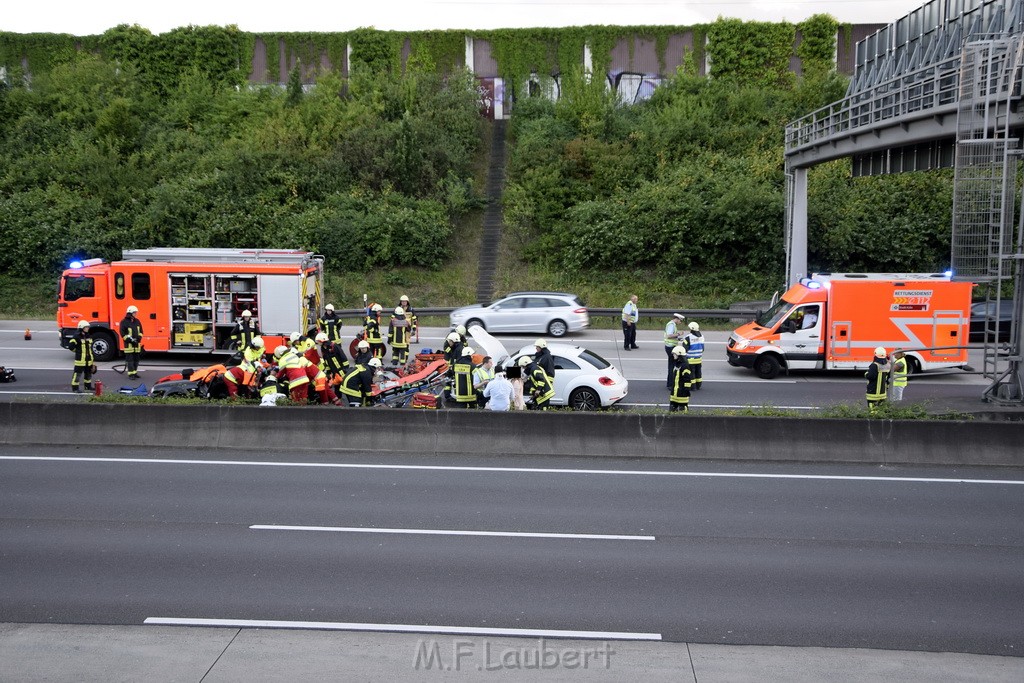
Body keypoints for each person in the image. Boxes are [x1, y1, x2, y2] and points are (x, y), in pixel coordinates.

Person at [69, 319, 95, 393]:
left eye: (88, 327)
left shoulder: (89, 336)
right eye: (86, 327)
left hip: (88, 360)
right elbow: (71, 346)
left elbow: (90, 348)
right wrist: (78, 352)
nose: (88, 328)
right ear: (82, 328)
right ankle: (75, 388)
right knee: (77, 375)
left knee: (88, 375)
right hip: (80, 360)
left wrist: (93, 360)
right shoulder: (76, 336)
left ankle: (88, 387)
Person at [119, 305, 143, 379]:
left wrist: (139, 338)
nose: (136, 314)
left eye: (136, 312)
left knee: (136, 360)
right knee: (130, 361)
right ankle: (131, 374)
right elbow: (122, 333)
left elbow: (141, 331)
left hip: (136, 345)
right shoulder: (124, 322)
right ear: (130, 313)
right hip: (129, 345)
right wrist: (129, 340)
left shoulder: (137, 321)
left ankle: (135, 372)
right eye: (134, 312)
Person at [866, 346, 891, 413]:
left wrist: (866, 374)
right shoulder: (888, 365)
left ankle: (873, 422)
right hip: (883, 393)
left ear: (875, 355)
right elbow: (889, 378)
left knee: (872, 411)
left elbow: (870, 376)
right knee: (881, 411)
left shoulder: (874, 365)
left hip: (873, 393)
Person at [663, 313, 685, 388]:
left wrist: (678, 338)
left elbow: (671, 336)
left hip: (671, 346)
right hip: (670, 347)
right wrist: (678, 334)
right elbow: (669, 335)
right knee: (672, 366)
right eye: (680, 320)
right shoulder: (671, 325)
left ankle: (670, 383)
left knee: (672, 365)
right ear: (677, 319)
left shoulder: (672, 325)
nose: (680, 322)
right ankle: (670, 384)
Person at [668, 346, 693, 412]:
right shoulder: (677, 365)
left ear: (679, 355)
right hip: (674, 394)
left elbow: (687, 380)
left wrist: (686, 391)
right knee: (672, 410)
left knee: (682, 411)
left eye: (674, 354)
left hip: (682, 395)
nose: (673, 355)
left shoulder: (685, 366)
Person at [682, 321, 705, 390]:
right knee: (698, 373)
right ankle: (698, 386)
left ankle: (693, 387)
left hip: (691, 360)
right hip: (699, 359)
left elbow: (684, 349)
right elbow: (703, 348)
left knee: (692, 373)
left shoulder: (688, 337)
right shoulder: (701, 336)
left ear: (691, 329)